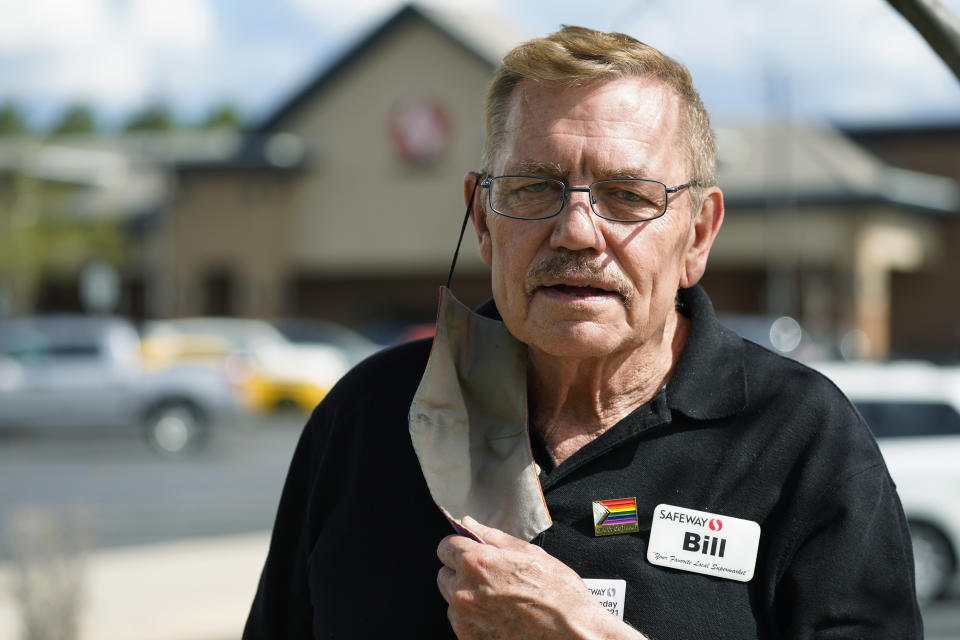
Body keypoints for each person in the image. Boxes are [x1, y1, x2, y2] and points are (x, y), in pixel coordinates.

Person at [243, 26, 922, 639]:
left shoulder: (800, 438)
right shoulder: (371, 415)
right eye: (535, 188)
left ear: (699, 234)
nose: (574, 232)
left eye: (628, 196)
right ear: (481, 220)